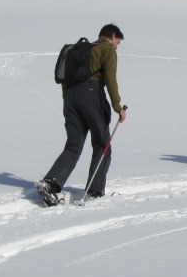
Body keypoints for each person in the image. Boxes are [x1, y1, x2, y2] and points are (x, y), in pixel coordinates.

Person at [36, 23, 127, 205]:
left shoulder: (80, 51)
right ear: (111, 36)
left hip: (70, 97)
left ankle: (50, 183)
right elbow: (110, 77)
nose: (117, 46)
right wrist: (118, 106)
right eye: (117, 42)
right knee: (103, 143)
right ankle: (94, 192)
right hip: (91, 93)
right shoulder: (106, 50)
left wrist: (69, 101)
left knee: (73, 145)